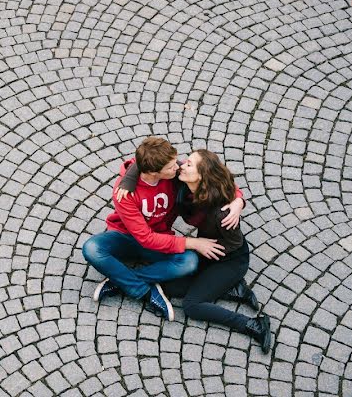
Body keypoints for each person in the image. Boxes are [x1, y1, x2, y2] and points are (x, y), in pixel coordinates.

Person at [117, 149, 272, 353]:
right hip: (205, 248)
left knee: (192, 306)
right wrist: (127, 181)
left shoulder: (222, 211)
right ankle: (233, 290)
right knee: (170, 287)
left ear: (201, 176)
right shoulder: (182, 181)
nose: (181, 165)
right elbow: (148, 158)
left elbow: (235, 243)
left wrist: (237, 203)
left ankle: (253, 325)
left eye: (189, 164)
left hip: (230, 259)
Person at [81, 137, 244, 321]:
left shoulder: (174, 173)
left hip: (159, 238)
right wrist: (193, 242)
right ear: (152, 172)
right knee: (92, 248)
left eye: (176, 163)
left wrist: (238, 199)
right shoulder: (124, 193)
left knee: (189, 262)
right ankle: (146, 292)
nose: (178, 167)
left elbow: (213, 175)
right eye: (171, 167)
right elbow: (145, 238)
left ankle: (120, 280)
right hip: (124, 237)